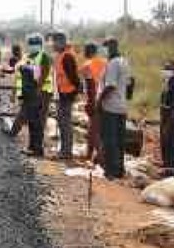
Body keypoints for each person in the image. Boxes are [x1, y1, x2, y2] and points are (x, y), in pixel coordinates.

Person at [99, 37, 133, 180]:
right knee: (120, 139)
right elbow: (131, 82)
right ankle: (119, 169)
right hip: (122, 106)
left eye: (105, 47)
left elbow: (110, 85)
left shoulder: (113, 63)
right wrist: (126, 97)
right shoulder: (124, 61)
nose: (104, 50)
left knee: (109, 139)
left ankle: (110, 171)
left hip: (111, 107)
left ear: (111, 47)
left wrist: (99, 101)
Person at [52, 31, 81, 162]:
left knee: (65, 123)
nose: (53, 44)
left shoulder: (67, 56)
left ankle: (66, 151)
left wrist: (75, 90)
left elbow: (73, 77)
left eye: (55, 42)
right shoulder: (62, 55)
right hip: (63, 93)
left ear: (61, 42)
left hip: (67, 94)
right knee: (62, 122)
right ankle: (64, 150)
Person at [11, 33, 45, 137]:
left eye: (34, 44)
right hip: (29, 92)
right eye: (30, 44)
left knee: (33, 119)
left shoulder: (41, 58)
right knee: (27, 116)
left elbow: (38, 76)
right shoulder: (28, 58)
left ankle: (36, 146)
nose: (31, 46)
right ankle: (14, 133)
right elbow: (19, 74)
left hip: (37, 93)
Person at [80, 41, 107, 165]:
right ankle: (90, 155)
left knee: (93, 131)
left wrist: (90, 103)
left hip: (95, 100)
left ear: (88, 51)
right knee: (96, 129)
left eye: (85, 50)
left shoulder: (87, 65)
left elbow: (90, 85)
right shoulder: (105, 63)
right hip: (106, 99)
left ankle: (101, 157)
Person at [16, 52, 44, 156]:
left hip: (32, 98)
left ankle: (36, 149)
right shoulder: (31, 67)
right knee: (33, 124)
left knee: (35, 124)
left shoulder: (27, 67)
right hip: (32, 97)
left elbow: (36, 81)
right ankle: (33, 147)